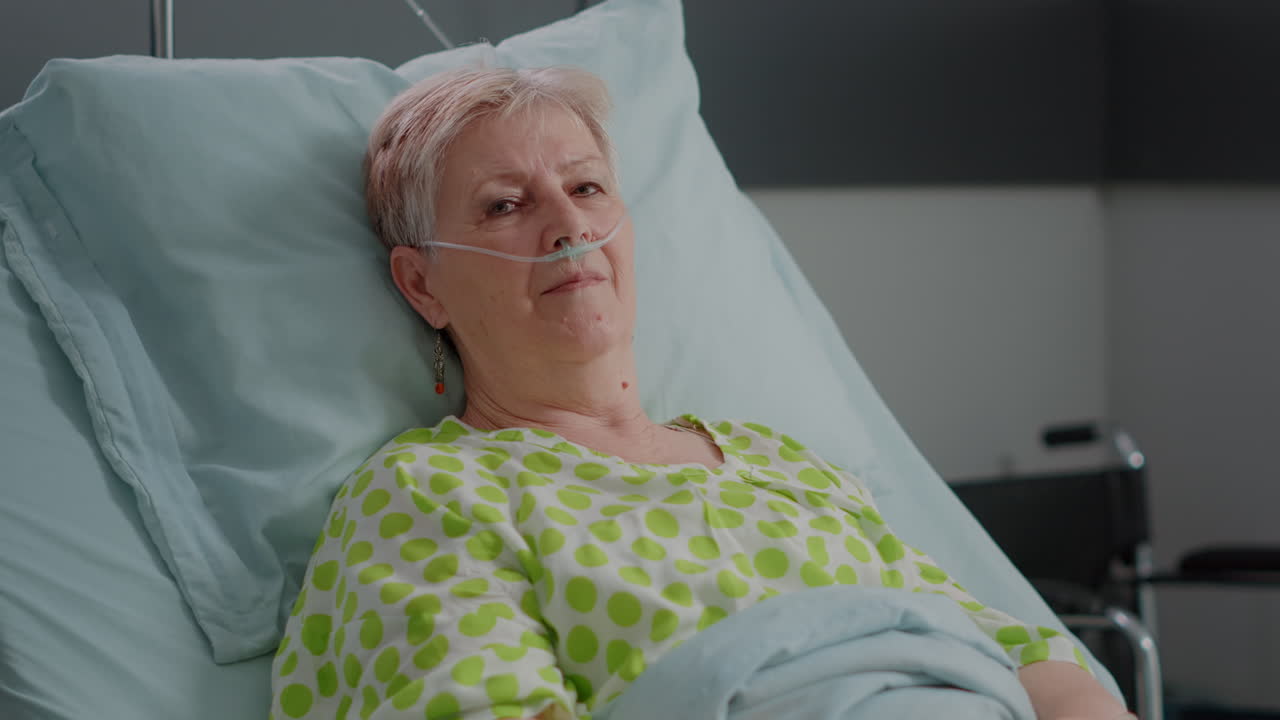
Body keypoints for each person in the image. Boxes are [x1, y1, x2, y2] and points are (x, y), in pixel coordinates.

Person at [269, 66, 1135, 720]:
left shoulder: (783, 465)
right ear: (424, 286)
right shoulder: (429, 494)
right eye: (504, 205)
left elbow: (1024, 659)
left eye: (587, 187)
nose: (569, 224)